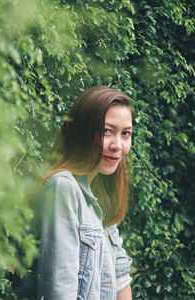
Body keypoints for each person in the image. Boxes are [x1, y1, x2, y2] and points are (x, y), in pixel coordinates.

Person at [36, 86, 133, 299]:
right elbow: (60, 291)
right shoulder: (63, 187)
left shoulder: (100, 196)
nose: (117, 145)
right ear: (83, 131)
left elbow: (121, 278)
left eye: (125, 133)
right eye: (107, 131)